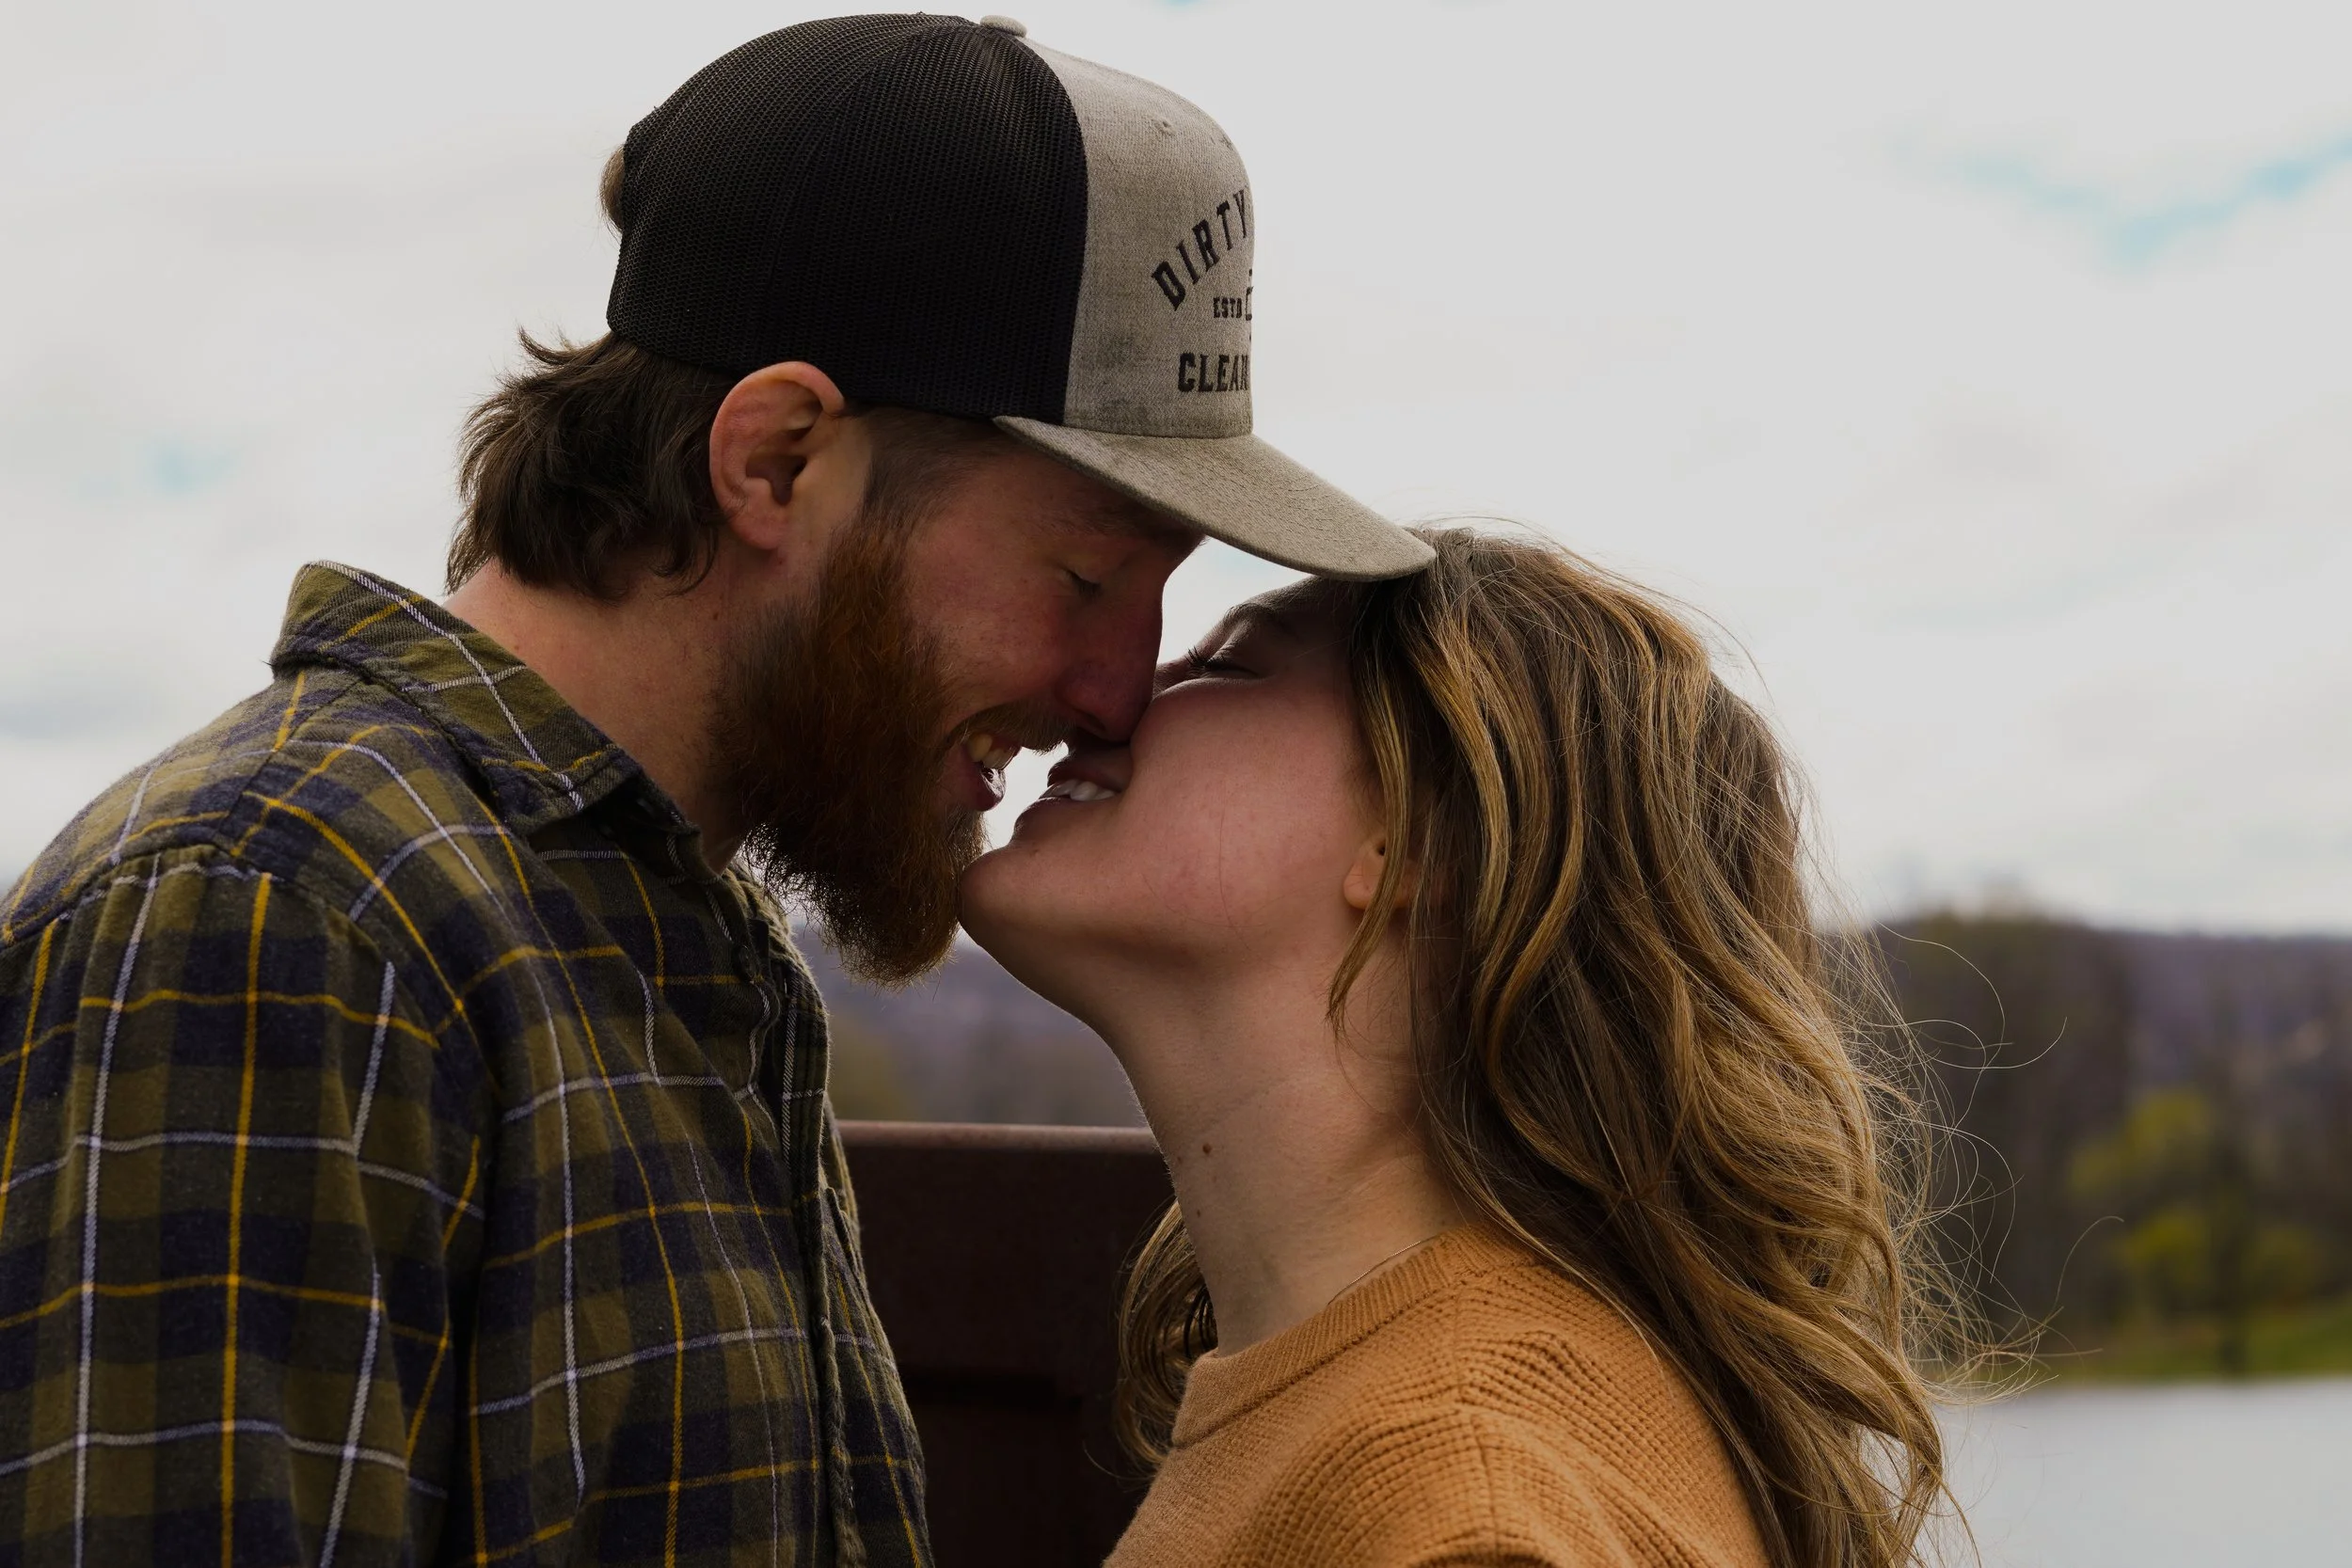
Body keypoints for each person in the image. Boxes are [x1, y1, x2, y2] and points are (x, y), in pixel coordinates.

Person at [0, 15, 1429, 1566]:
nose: (1115, 688)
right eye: (1081, 573)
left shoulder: (686, 943)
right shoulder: (280, 910)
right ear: (773, 462)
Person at [961, 529, 1961, 1568]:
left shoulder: (1460, 1501)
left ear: (1417, 842)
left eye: (1226, 664)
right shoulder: (1378, 1397)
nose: (1109, 697)